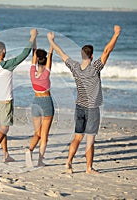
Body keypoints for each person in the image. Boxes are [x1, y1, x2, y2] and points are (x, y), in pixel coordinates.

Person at [47, 25, 121, 174]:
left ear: (82, 55)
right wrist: (116, 34)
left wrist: (51, 41)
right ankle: (88, 168)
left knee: (77, 137)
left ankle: (68, 163)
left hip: (79, 107)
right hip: (92, 109)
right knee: (90, 140)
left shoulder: (75, 67)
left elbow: (61, 54)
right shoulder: (95, 68)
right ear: (92, 56)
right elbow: (107, 51)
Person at [0, 22, 38, 163]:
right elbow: (24, 54)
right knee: (5, 129)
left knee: (2, 127)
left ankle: (6, 155)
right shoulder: (7, 65)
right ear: (4, 51)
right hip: (6, 101)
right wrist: (32, 37)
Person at [25, 37, 54, 167]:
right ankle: (40, 160)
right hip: (46, 102)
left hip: (36, 102)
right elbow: (51, 54)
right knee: (44, 135)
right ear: (46, 61)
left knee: (37, 132)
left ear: (36, 61)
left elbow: (34, 54)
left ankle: (29, 150)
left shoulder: (32, 72)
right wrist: (51, 41)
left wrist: (34, 37)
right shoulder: (46, 73)